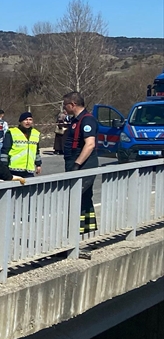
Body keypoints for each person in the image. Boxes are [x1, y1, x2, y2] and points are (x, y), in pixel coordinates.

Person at [61, 91, 99, 234]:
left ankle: (75, 234)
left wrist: (77, 164)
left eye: (65, 105)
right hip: (75, 162)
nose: (64, 108)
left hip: (83, 164)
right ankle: (87, 231)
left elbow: (90, 144)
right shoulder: (75, 120)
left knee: (75, 197)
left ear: (73, 104)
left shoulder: (87, 120)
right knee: (85, 198)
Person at [2, 112, 42, 179]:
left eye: (30, 119)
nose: (28, 122)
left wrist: (38, 164)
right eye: (26, 120)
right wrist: (4, 166)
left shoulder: (35, 133)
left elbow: (36, 151)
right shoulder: (12, 132)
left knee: (29, 189)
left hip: (29, 170)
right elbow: (5, 150)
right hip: (14, 169)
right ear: (21, 121)